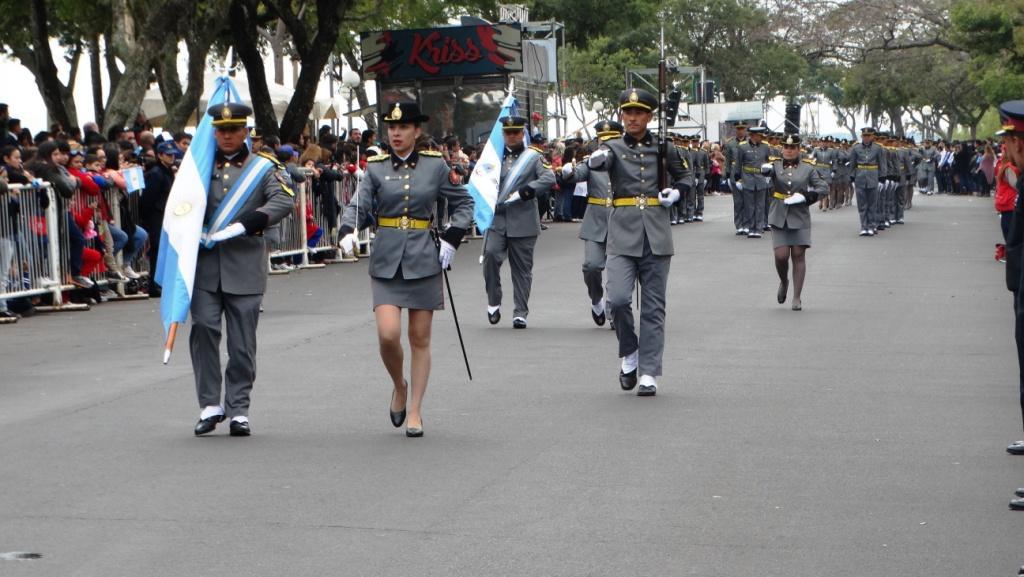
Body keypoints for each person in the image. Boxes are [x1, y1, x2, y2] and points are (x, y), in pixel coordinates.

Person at [338, 102, 473, 437]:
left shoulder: (434, 166)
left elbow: (463, 203)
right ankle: (399, 384)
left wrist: (453, 237)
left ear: (417, 131)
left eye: (403, 127)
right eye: (391, 127)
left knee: (420, 338)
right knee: (387, 334)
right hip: (386, 256)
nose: (396, 133)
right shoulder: (376, 167)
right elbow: (359, 203)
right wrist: (347, 230)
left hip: (423, 255)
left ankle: (415, 410)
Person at [190, 101, 295, 437]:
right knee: (204, 329)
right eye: (220, 130)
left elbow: (283, 200)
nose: (227, 136)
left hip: (245, 264)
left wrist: (243, 226)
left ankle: (238, 408)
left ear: (246, 131)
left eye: (234, 129)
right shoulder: (198, 166)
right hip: (206, 265)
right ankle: (209, 404)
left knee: (241, 343)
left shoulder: (263, 167)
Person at [587, 88, 690, 396]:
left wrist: (677, 193)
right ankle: (629, 351)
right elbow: (598, 164)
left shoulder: (664, 147)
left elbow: (685, 178)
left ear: (649, 116)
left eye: (639, 113)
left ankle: (648, 371)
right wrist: (594, 159)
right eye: (627, 113)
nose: (632, 118)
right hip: (622, 233)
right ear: (621, 115)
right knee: (617, 300)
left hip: (656, 233)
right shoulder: (612, 148)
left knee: (653, 308)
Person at [481, 115, 555, 329]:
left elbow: (549, 178)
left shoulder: (532, 157)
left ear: (522, 134)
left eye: (516, 132)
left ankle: (520, 312)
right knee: (491, 256)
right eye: (508, 132)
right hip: (497, 218)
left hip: (523, 220)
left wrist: (529, 189)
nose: (511, 136)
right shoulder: (493, 157)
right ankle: (493, 299)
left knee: (522, 269)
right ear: (502, 134)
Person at [562, 120, 623, 326]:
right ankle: (596, 299)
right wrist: (566, 171)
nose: (606, 144)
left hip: (622, 221)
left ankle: (614, 309)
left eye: (611, 140)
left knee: (619, 270)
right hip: (596, 220)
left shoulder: (627, 161)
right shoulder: (591, 161)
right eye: (602, 140)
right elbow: (576, 174)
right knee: (591, 266)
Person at [763, 134, 827, 311]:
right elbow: (765, 185)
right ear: (782, 148)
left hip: (799, 215)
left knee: (798, 255)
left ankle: (797, 297)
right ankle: (784, 281)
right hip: (779, 214)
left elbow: (823, 188)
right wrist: (766, 176)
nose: (789, 151)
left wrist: (805, 197)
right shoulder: (773, 166)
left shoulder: (808, 168)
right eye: (786, 147)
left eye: (793, 148)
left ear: (799, 149)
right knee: (781, 256)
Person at [735, 126, 771, 238]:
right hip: (747, 178)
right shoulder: (743, 147)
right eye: (760, 136)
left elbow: (769, 162)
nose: (762, 138)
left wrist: (769, 176)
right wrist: (738, 179)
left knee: (760, 205)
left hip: (761, 178)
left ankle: (758, 228)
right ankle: (751, 228)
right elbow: (738, 164)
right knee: (749, 205)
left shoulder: (765, 147)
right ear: (753, 136)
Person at [849, 127, 884, 236]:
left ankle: (872, 225)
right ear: (861, 136)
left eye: (868, 136)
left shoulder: (878, 148)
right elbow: (852, 164)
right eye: (864, 136)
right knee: (862, 204)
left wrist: (883, 178)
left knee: (872, 204)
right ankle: (864, 226)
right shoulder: (856, 148)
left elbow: (882, 164)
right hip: (860, 178)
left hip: (873, 177)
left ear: (872, 136)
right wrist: (851, 177)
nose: (866, 138)